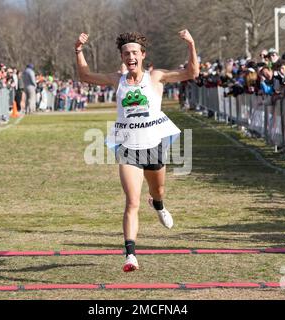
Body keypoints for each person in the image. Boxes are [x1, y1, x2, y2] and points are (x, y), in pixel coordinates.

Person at [75, 30, 199, 272]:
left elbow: (192, 73)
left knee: (158, 190)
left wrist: (191, 45)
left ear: (142, 55)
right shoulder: (117, 79)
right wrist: (78, 50)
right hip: (128, 147)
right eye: (125, 53)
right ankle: (130, 255)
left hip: (153, 145)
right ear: (122, 57)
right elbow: (85, 76)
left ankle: (159, 205)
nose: (130, 56)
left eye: (134, 52)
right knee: (132, 202)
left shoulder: (156, 77)